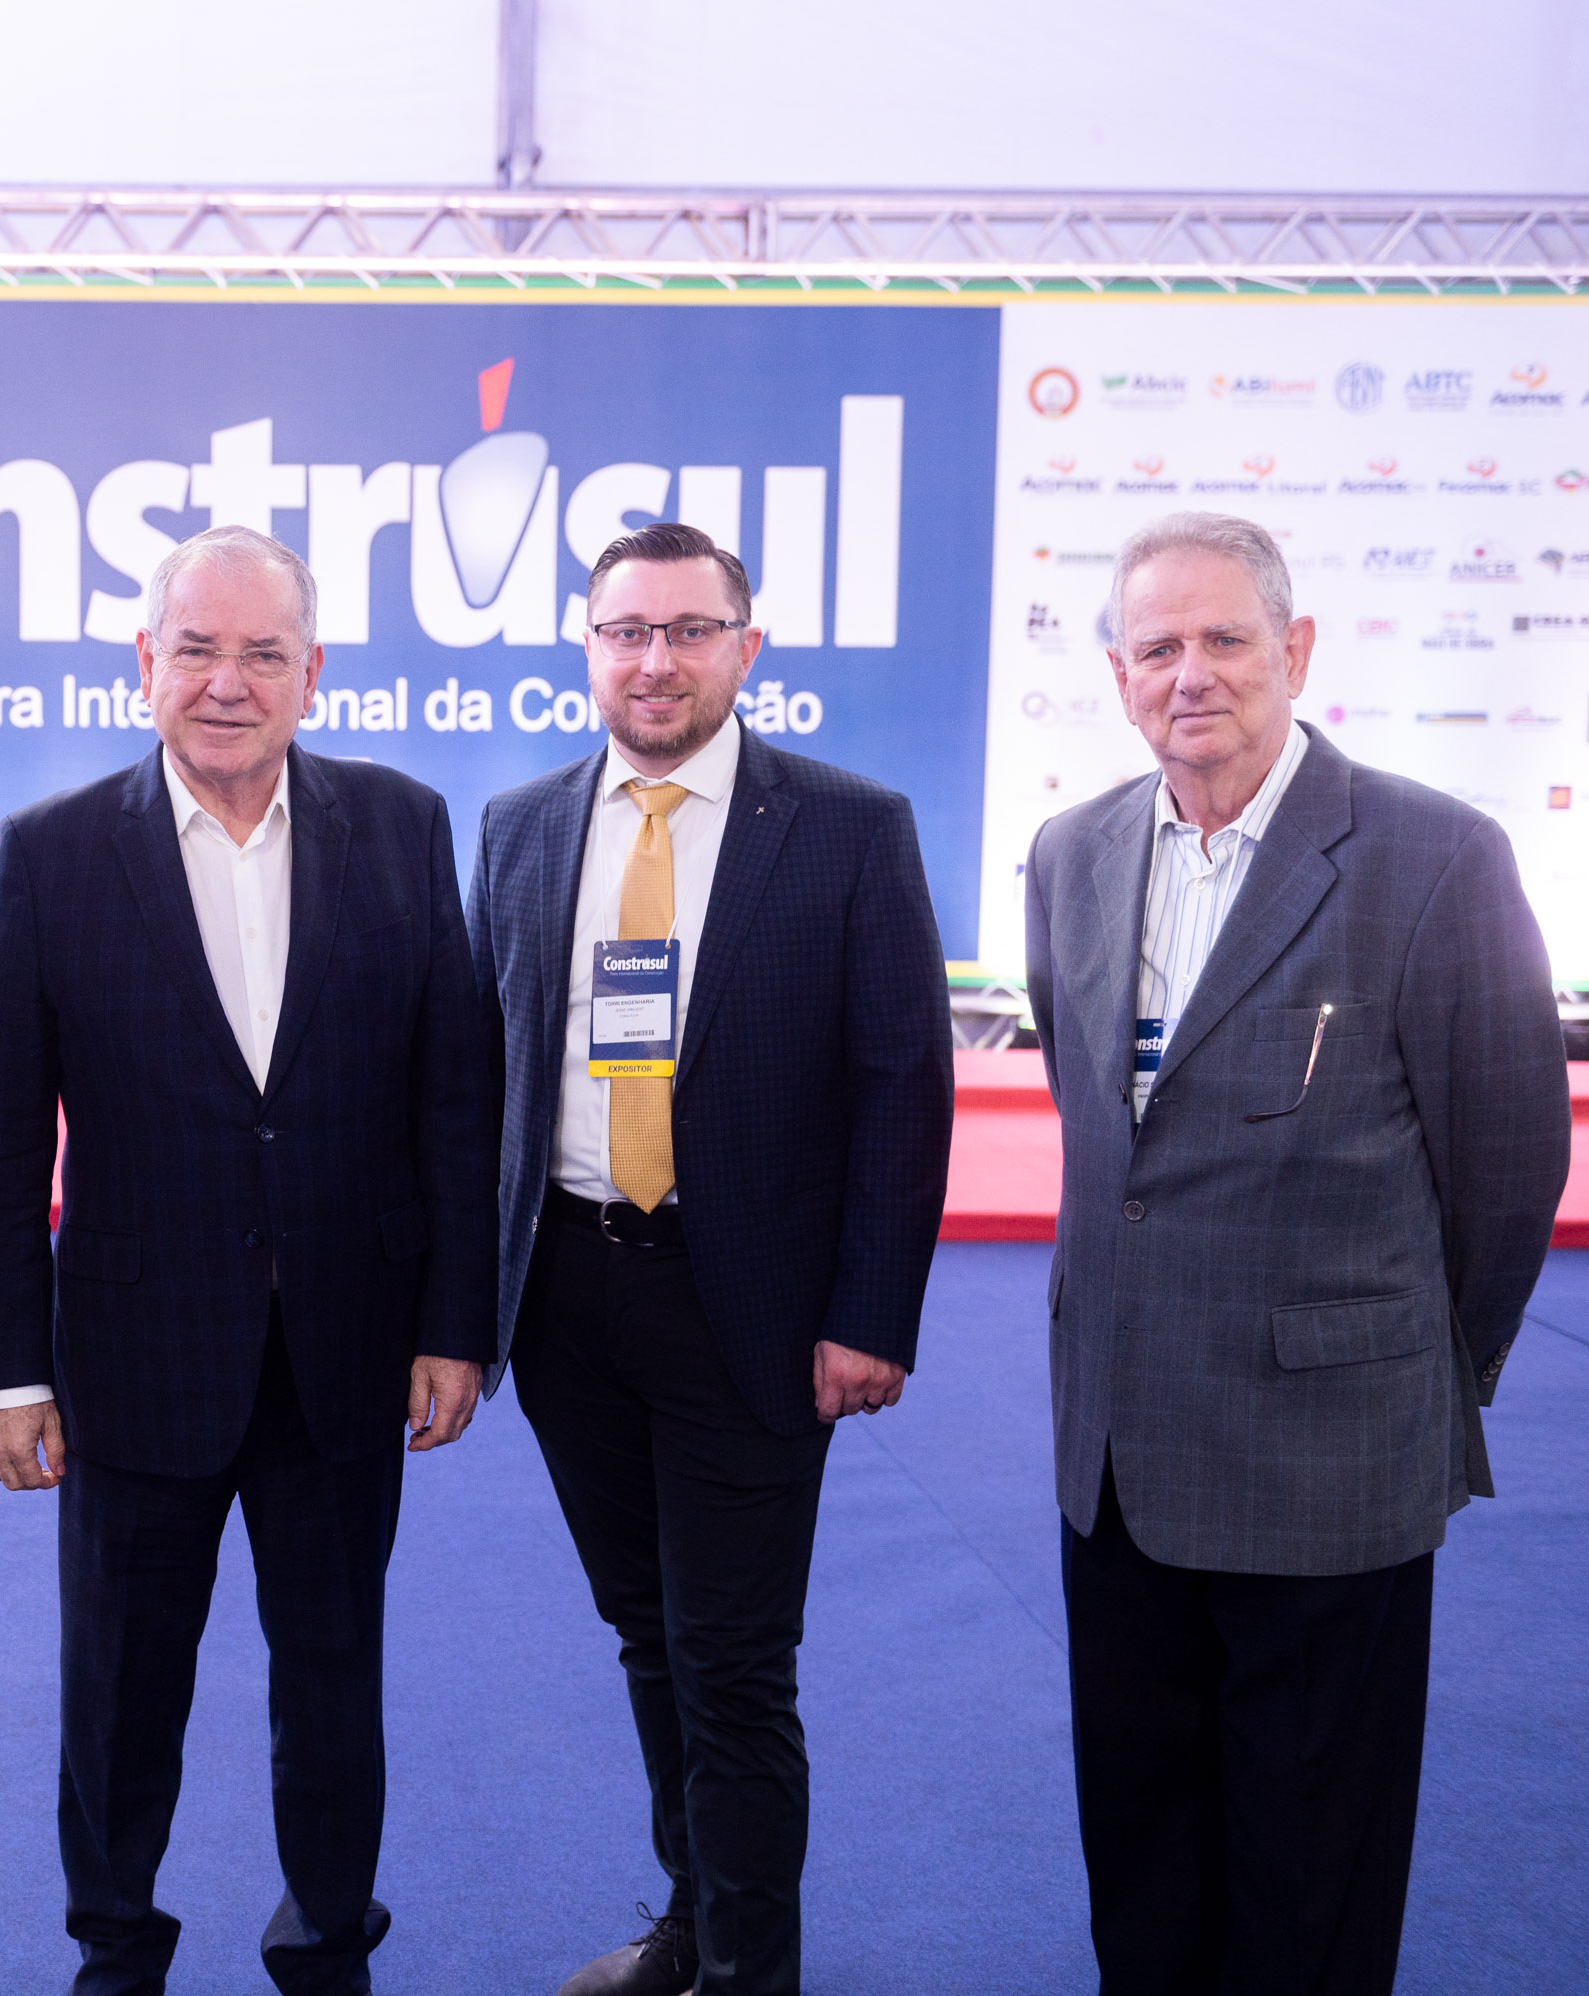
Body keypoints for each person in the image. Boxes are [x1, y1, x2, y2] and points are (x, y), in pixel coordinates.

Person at [1024, 512, 1568, 1996]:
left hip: (1330, 1461)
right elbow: (1101, 1125)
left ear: (1297, 650)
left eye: (1225, 639)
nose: (1189, 675)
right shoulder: (1070, 856)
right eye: (1157, 648)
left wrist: (1414, 1372)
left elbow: (1509, 1160)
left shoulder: (1436, 857)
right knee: (1143, 1859)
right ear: (1118, 675)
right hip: (1118, 1460)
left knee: (1310, 1882)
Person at [0, 525, 494, 1996]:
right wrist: (5, 1372)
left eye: (264, 653)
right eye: (196, 649)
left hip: (347, 1352)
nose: (228, 682)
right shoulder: (54, 852)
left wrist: (455, 1323)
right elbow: (2, 1143)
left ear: (314, 673)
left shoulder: (403, 825)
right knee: (120, 1694)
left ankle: (327, 1943)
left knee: (334, 1686)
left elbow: (453, 1101)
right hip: (133, 1359)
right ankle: (116, 1948)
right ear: (146, 663)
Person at [464, 521, 952, 1996]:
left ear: (747, 648)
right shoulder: (522, 825)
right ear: (587, 648)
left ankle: (750, 1974)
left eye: (689, 630)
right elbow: (482, 1077)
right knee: (645, 1632)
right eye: (628, 631)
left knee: (733, 1662)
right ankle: (690, 1923)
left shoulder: (851, 826)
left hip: (752, 1309)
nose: (656, 660)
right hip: (565, 1298)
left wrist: (873, 1313)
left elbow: (903, 1085)